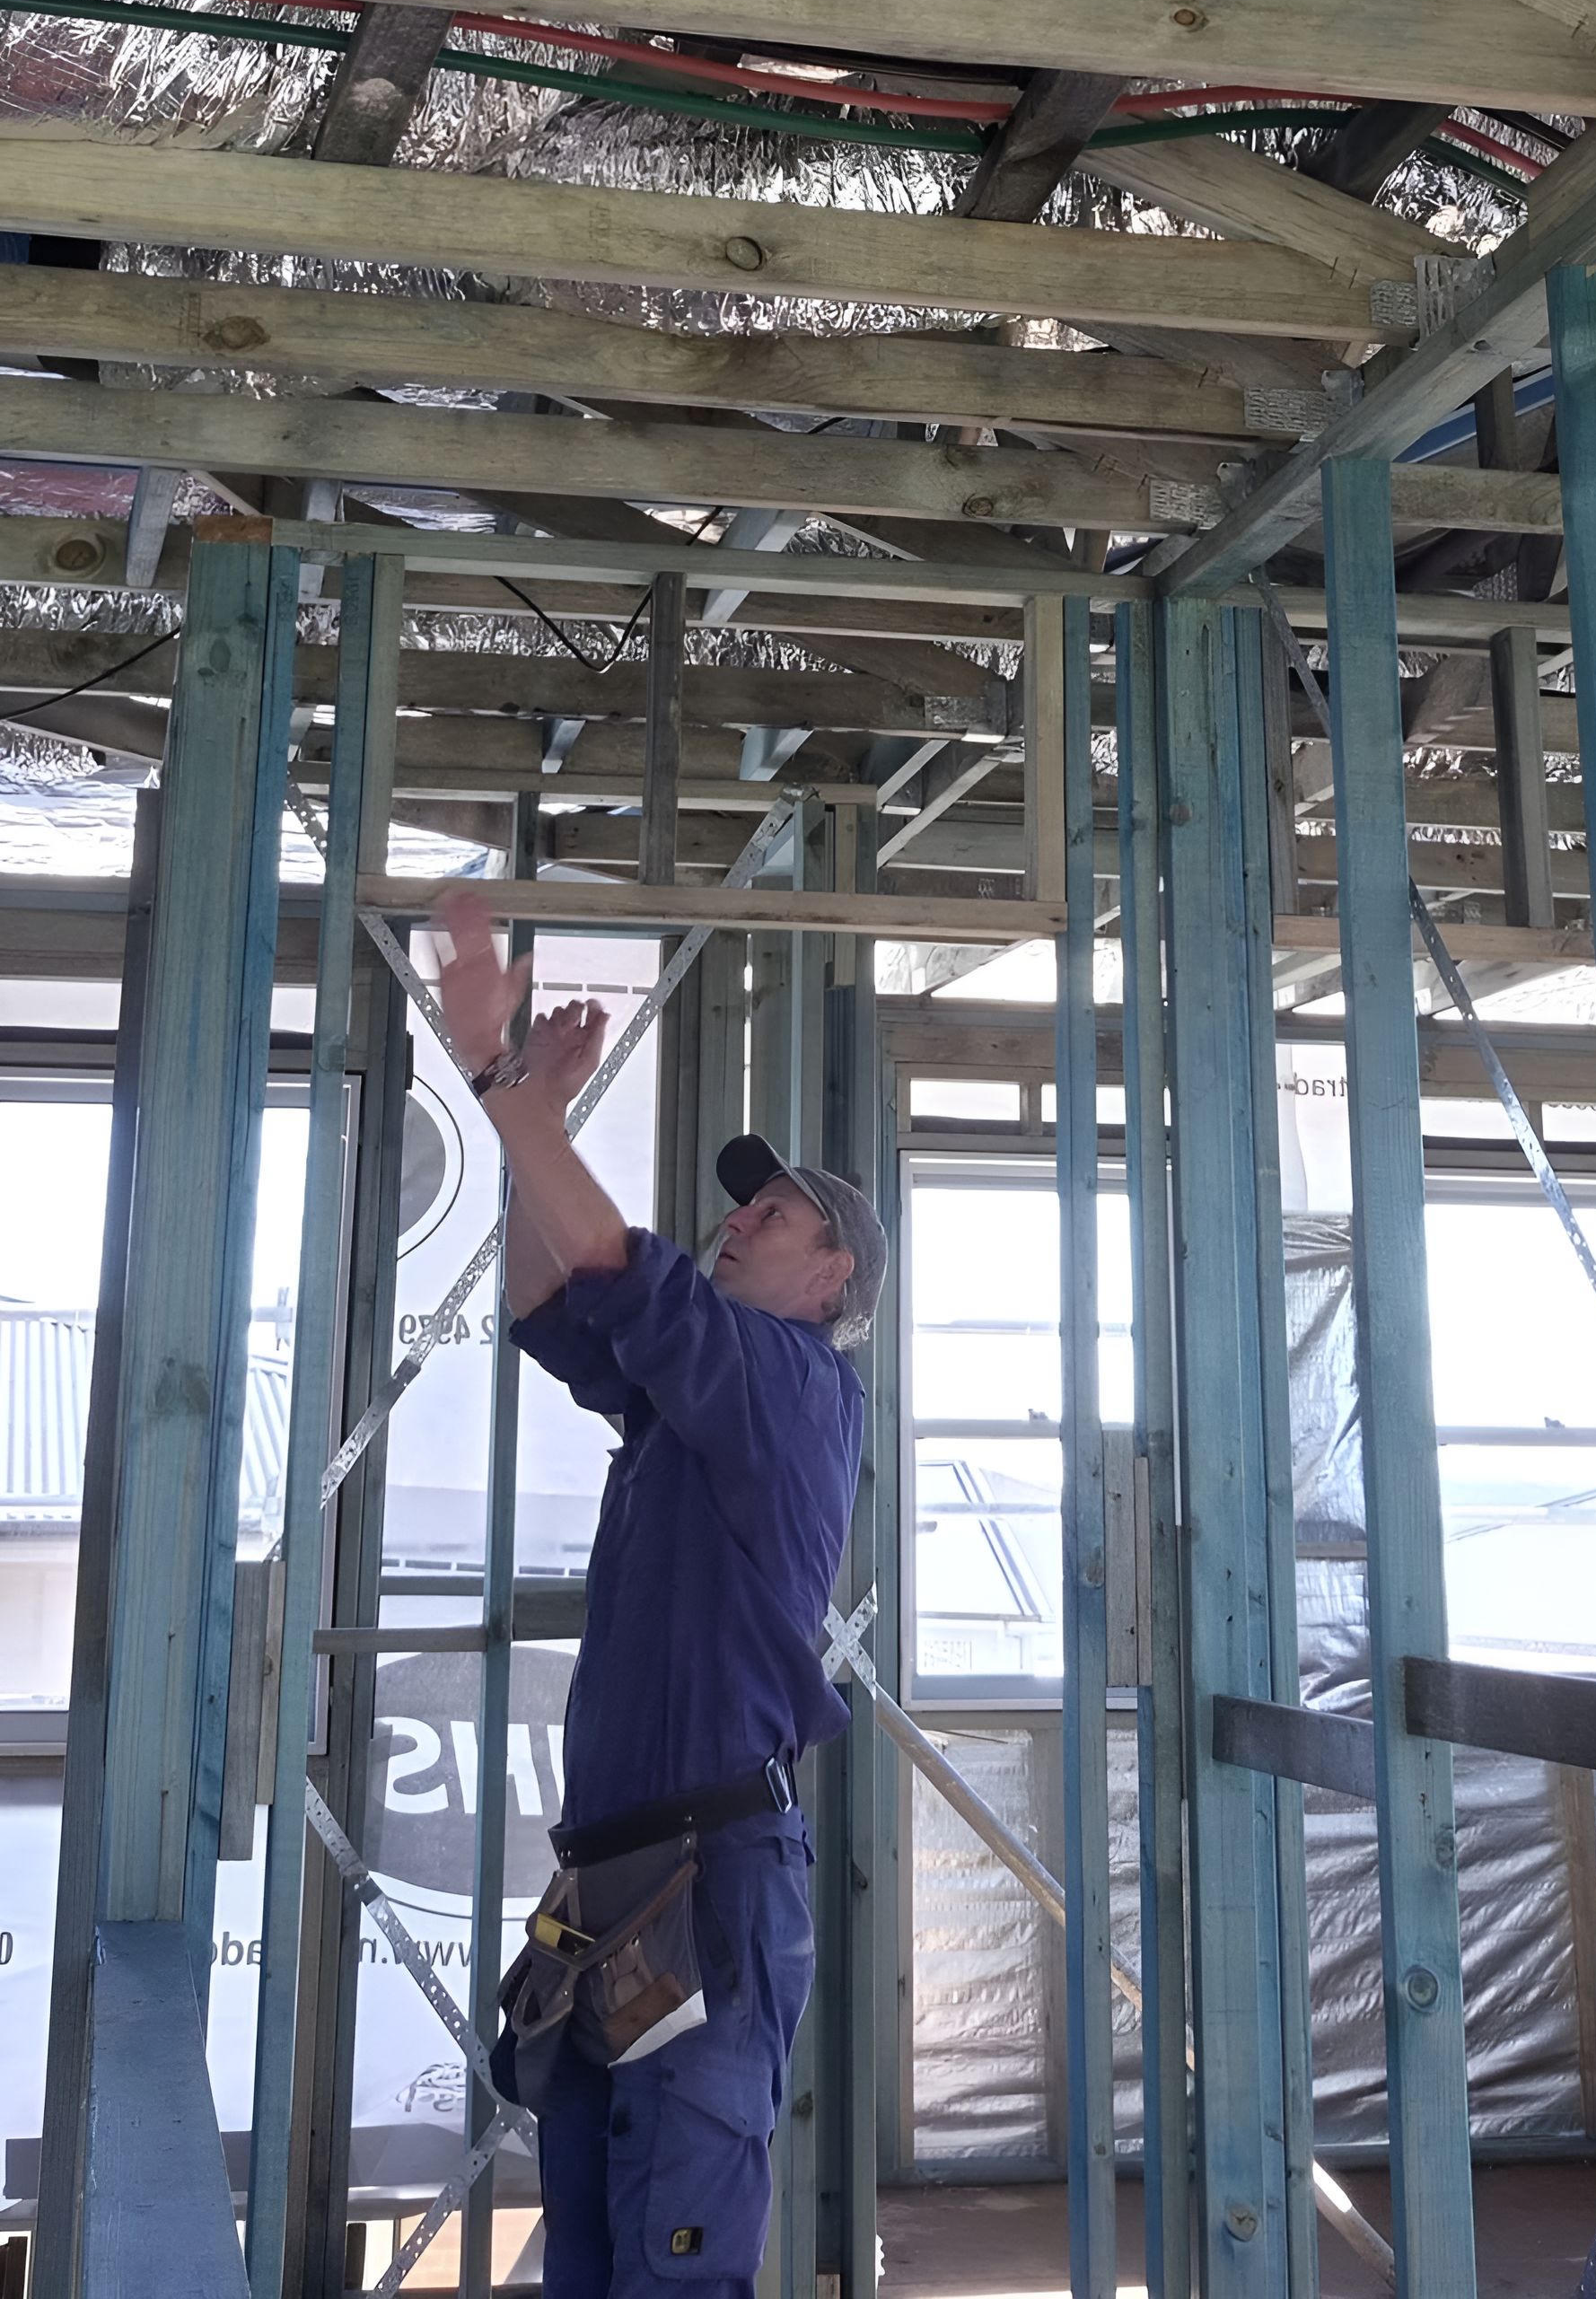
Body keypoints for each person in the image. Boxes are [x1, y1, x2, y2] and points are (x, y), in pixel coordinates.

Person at [433, 887, 888, 2299]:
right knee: (591, 2240)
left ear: (832, 1281)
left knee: (677, 2258)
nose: (737, 1219)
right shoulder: (688, 1410)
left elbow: (624, 1269)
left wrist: (509, 1085)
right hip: (619, 1878)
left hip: (713, 1874)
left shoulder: (794, 1386)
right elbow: (548, 1297)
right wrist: (525, 1110)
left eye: (773, 1214)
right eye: (740, 1202)